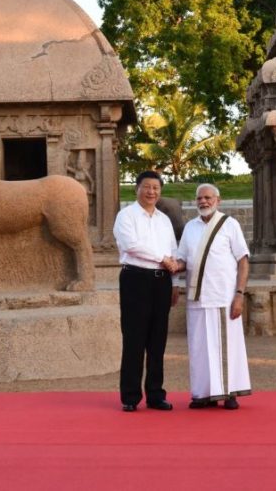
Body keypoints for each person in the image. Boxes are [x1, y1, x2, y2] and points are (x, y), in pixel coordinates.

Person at [175, 183, 251, 410]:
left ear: (218, 200)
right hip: (196, 298)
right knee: (199, 347)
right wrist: (170, 264)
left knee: (225, 346)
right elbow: (182, 260)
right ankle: (203, 393)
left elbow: (243, 260)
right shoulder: (190, 227)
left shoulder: (229, 225)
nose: (203, 202)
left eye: (208, 197)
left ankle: (229, 393)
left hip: (222, 296)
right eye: (199, 198)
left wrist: (239, 294)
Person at [113, 170, 179, 412]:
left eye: (156, 188)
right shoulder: (126, 215)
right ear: (137, 189)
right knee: (134, 338)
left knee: (157, 340)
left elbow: (173, 251)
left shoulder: (164, 219)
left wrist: (175, 283)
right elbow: (131, 245)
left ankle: (155, 394)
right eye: (147, 187)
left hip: (162, 281)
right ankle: (130, 396)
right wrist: (162, 258)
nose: (152, 192)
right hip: (135, 279)